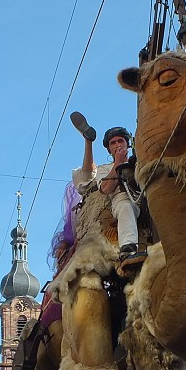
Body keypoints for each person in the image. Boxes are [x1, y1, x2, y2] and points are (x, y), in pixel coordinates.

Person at [69, 112, 145, 270]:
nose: (118, 145)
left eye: (121, 141)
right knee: (125, 207)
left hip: (145, 199)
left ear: (128, 144)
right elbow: (105, 189)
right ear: (109, 149)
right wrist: (117, 164)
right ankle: (128, 250)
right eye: (113, 143)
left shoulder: (140, 162)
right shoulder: (105, 169)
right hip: (122, 200)